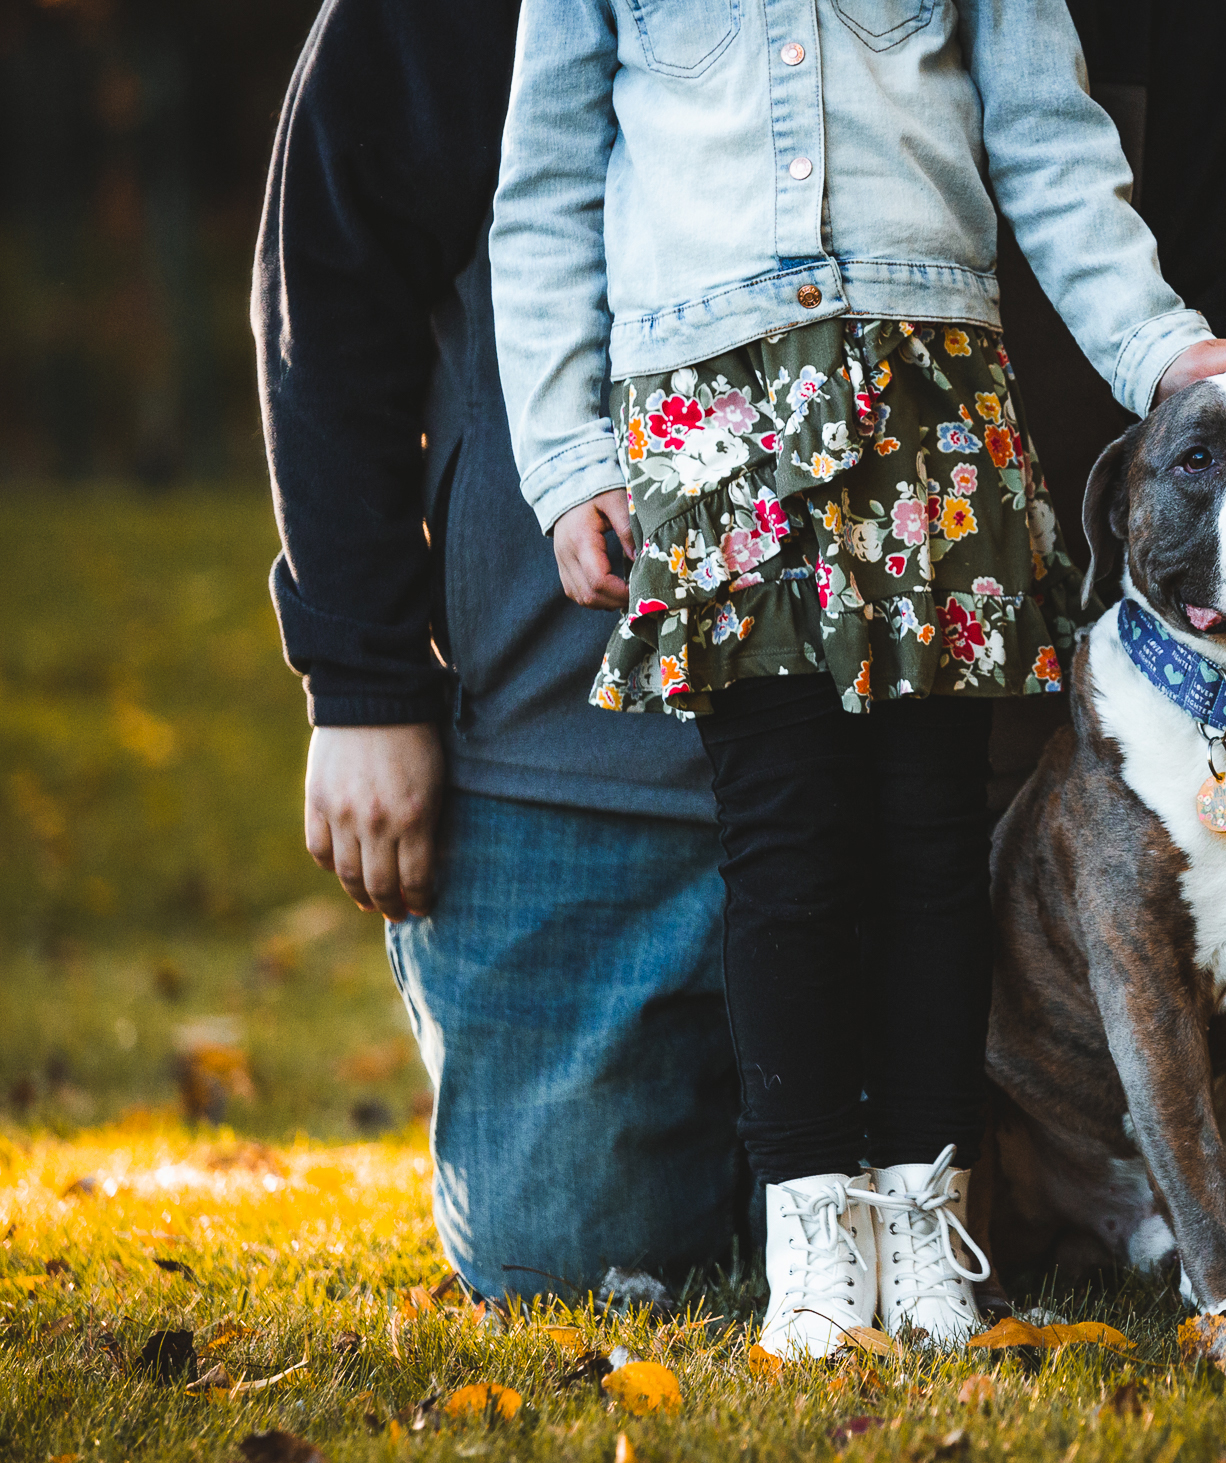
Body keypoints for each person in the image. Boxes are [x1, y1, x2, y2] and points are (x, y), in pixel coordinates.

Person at [489, 0, 1226, 1355]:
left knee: (932, 844)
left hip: (935, 399)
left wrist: (1165, 351)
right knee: (785, 837)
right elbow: (544, 195)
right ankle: (811, 1225)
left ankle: (926, 1215)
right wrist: (567, 459)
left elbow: (1053, 146)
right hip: (715, 419)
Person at [254, 0, 745, 1302]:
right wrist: (362, 688)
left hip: (943, 766)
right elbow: (331, 315)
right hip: (564, 758)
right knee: (569, 1265)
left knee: (1030, 1229)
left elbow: (1210, 269)